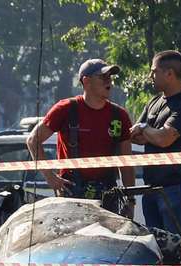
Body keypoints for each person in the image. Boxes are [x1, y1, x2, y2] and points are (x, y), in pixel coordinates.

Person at [26, 58, 135, 211]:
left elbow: (127, 164)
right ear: (86, 81)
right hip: (72, 192)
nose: (108, 81)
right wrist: (50, 177)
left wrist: (130, 200)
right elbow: (33, 140)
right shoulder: (66, 109)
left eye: (110, 77)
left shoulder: (119, 115)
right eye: (103, 77)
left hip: (108, 193)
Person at [130, 50, 181, 234]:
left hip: (173, 190)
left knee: (177, 248)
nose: (150, 76)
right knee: (155, 246)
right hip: (150, 189)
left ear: (169, 74)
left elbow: (164, 139)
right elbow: (135, 135)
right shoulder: (154, 102)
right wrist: (148, 131)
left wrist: (146, 129)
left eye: (154, 71)